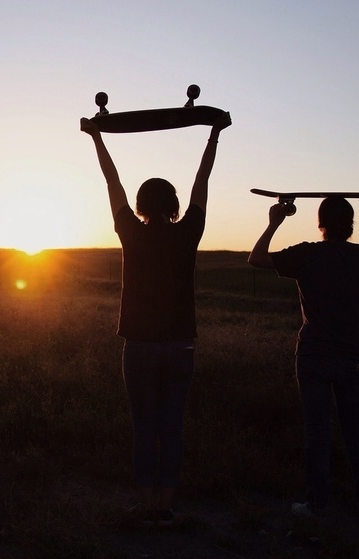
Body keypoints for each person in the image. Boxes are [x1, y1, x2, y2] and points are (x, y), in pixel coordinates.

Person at [80, 113, 232, 525]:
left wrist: (97, 137)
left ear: (143, 205)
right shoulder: (189, 231)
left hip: (140, 347)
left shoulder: (131, 230)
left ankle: (146, 503)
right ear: (175, 204)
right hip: (181, 346)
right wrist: (213, 136)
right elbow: (203, 179)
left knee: (145, 427)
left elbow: (112, 183)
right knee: (172, 427)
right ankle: (165, 505)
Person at [249, 196, 359, 530]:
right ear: (351, 224)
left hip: (314, 355)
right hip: (352, 359)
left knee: (317, 434)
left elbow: (256, 258)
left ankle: (316, 506)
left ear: (321, 223)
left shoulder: (307, 254)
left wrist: (276, 220)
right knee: (356, 434)